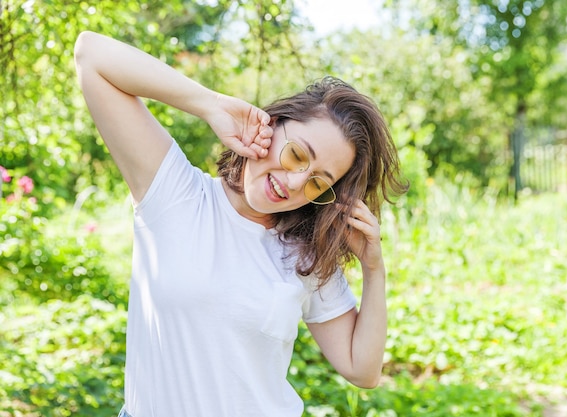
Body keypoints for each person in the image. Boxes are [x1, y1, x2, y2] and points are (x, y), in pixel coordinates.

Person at [74, 31, 407, 417]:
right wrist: (210, 105)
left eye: (318, 181)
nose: (296, 182)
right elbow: (92, 54)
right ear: (273, 123)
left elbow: (362, 370)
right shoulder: (176, 193)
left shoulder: (305, 253)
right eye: (297, 153)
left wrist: (374, 268)